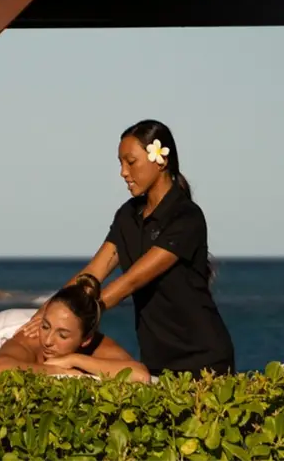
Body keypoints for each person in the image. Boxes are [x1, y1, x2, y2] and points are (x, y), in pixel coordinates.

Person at [36, 119, 235, 376]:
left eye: (130, 162)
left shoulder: (186, 217)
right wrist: (45, 314)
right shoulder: (128, 216)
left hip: (204, 359)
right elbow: (93, 273)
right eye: (120, 163)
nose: (123, 172)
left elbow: (131, 281)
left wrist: (78, 319)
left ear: (160, 160)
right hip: (156, 358)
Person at [0, 275, 151, 382]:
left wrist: (74, 360)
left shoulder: (95, 344)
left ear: (86, 339)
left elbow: (140, 375)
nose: (48, 341)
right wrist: (58, 370)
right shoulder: (32, 337)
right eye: (46, 327)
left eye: (62, 335)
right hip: (5, 324)